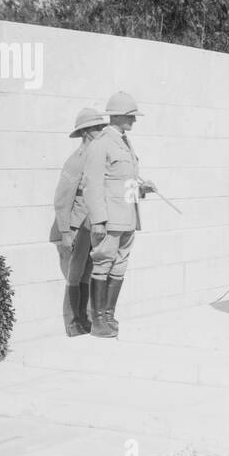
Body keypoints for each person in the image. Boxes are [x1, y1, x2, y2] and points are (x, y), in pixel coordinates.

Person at [83, 92, 158, 337]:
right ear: (116, 116)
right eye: (130, 117)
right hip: (109, 220)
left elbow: (121, 181)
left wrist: (141, 188)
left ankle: (108, 315)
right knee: (103, 264)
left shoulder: (124, 141)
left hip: (127, 217)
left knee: (119, 266)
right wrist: (98, 220)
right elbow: (92, 185)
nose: (134, 121)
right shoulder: (101, 144)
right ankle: (97, 321)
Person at [53, 107, 108, 336]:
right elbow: (62, 198)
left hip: (93, 225)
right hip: (77, 226)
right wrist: (65, 232)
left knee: (88, 272)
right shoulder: (76, 160)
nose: (101, 132)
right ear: (85, 132)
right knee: (75, 274)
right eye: (97, 128)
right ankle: (73, 322)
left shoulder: (99, 157)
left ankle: (84, 319)